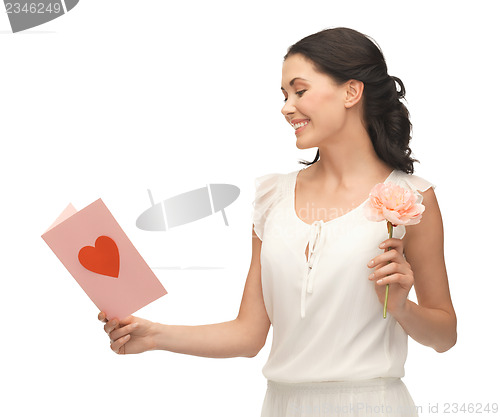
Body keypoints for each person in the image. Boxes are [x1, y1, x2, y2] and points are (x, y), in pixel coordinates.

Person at [98, 27, 457, 416]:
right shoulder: (273, 198)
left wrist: (403, 307)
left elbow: (445, 335)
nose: (287, 107)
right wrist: (154, 335)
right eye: (284, 95)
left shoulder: (412, 198)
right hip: (282, 406)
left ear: (351, 92)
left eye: (299, 91)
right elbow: (249, 334)